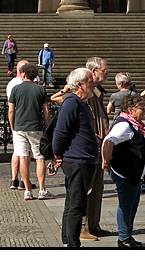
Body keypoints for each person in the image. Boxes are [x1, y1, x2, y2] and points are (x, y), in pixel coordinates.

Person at [51, 68, 100, 248]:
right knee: (76, 205)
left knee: (72, 202)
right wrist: (57, 156)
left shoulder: (81, 103)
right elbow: (60, 132)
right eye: (90, 81)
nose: (93, 84)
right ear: (80, 84)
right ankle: (72, 245)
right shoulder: (72, 102)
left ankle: (67, 241)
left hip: (83, 159)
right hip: (77, 160)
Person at [103, 91, 145, 247]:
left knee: (132, 205)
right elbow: (108, 142)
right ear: (131, 110)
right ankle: (124, 238)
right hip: (125, 173)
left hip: (133, 173)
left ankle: (127, 235)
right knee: (126, 206)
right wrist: (106, 162)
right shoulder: (124, 125)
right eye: (142, 107)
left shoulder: (134, 124)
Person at [9, 63, 53, 200]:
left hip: (19, 127)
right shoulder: (40, 89)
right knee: (39, 157)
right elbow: (46, 111)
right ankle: (41, 189)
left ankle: (27, 190)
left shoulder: (16, 89)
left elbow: (11, 110)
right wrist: (48, 127)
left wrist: (12, 126)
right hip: (36, 127)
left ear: (23, 74)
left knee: (23, 157)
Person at [82, 56, 111, 240]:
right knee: (87, 189)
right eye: (104, 70)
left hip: (100, 148)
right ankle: (83, 226)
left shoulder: (97, 92)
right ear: (93, 72)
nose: (107, 73)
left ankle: (94, 224)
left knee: (98, 188)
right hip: (90, 148)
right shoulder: (85, 92)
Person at [6, 61, 33, 189]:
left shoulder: (11, 84)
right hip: (27, 120)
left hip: (16, 120)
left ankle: (14, 179)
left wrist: (11, 124)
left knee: (17, 151)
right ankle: (24, 180)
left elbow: (10, 107)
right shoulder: (24, 84)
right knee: (26, 153)